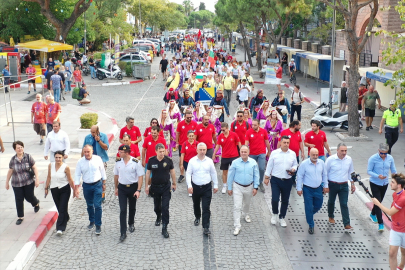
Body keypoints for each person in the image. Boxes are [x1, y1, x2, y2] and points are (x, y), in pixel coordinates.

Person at [371, 173, 405, 270]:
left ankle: (401, 267)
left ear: (399, 185)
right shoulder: (395, 194)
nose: (390, 184)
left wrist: (378, 203)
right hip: (396, 228)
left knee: (403, 252)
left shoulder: (402, 198)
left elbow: (390, 212)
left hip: (404, 229)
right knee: (391, 253)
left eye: (393, 182)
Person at [264, 136, 298, 227]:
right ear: (281, 143)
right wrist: (266, 177)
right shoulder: (275, 153)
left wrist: (294, 168)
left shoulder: (292, 153)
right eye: (284, 142)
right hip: (276, 179)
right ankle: (274, 214)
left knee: (285, 200)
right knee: (275, 199)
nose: (286, 144)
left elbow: (295, 163)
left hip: (287, 180)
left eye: (288, 142)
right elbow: (269, 165)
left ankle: (282, 217)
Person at [186, 143, 219, 235]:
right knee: (196, 204)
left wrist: (216, 184)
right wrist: (189, 185)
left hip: (206, 187)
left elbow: (213, 173)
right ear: (197, 150)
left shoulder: (209, 161)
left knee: (206, 207)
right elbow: (188, 174)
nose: (202, 152)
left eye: (204, 150)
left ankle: (206, 227)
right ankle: (197, 216)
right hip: (195, 186)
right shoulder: (192, 161)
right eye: (200, 150)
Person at [113, 145, 144, 242]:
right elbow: (116, 175)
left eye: (121, 151)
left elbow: (140, 176)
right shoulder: (118, 162)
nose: (119, 153)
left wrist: (138, 190)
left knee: (132, 207)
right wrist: (116, 187)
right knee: (122, 210)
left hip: (132, 187)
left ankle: (131, 223)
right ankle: (123, 232)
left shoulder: (135, 162)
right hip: (122, 188)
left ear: (126, 153)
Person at [145, 143, 176, 238]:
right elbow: (148, 173)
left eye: (163, 151)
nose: (162, 153)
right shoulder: (151, 161)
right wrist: (146, 186)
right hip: (155, 187)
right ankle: (158, 216)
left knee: (165, 207)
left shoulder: (168, 160)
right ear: (156, 151)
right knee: (157, 207)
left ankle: (165, 227)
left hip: (166, 187)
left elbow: (172, 172)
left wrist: (174, 183)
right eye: (160, 151)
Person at [6, 141, 40, 225]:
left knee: (29, 197)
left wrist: (37, 179)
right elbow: (10, 171)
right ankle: (20, 216)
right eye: (18, 148)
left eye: (21, 147)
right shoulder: (13, 160)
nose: (20, 149)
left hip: (28, 182)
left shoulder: (28, 157)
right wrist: (7, 182)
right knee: (19, 199)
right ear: (15, 149)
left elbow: (34, 168)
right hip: (16, 183)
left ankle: (35, 203)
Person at [227, 145, 259, 235]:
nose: (243, 153)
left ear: (248, 152)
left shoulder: (253, 163)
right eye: (242, 152)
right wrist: (229, 188)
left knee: (247, 203)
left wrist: (256, 187)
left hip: (249, 186)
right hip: (238, 186)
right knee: (237, 206)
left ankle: (246, 213)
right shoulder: (235, 163)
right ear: (240, 152)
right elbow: (230, 176)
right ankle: (237, 226)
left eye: (245, 152)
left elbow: (256, 175)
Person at [74, 145, 107, 235]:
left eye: (88, 152)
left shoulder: (98, 159)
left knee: (97, 205)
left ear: (92, 151)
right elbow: (77, 174)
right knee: (89, 205)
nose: (86, 154)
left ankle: (98, 225)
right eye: (85, 152)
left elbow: (102, 171)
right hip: (87, 185)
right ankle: (91, 220)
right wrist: (76, 188)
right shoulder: (80, 162)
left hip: (97, 184)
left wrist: (104, 183)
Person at [296, 148, 328, 234]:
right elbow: (299, 176)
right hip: (307, 189)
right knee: (309, 207)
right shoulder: (304, 164)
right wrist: (299, 188)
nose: (315, 157)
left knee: (319, 205)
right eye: (313, 155)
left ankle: (308, 215)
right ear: (309, 154)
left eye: (317, 155)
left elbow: (324, 175)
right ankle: (311, 225)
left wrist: (326, 186)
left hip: (318, 188)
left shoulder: (321, 163)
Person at [325, 143, 356, 231]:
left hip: (344, 185)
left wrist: (353, 184)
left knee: (344, 204)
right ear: (337, 150)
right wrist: (326, 185)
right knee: (331, 201)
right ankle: (331, 216)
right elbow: (325, 173)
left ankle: (347, 224)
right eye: (342, 151)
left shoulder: (349, 159)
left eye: (345, 150)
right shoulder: (330, 160)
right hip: (333, 184)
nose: (344, 152)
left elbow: (351, 172)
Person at [367, 143, 397, 231]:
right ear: (378, 150)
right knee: (378, 203)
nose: (383, 155)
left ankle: (372, 214)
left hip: (385, 183)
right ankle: (381, 223)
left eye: (385, 153)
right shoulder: (373, 158)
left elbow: (393, 170)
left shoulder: (390, 158)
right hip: (375, 183)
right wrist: (377, 176)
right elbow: (369, 171)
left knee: (378, 202)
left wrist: (396, 179)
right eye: (382, 153)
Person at [45, 151, 75, 235]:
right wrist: (46, 188)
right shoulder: (51, 165)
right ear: (54, 158)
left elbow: (70, 179)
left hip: (64, 189)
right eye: (56, 157)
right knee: (59, 207)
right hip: (54, 189)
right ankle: (66, 217)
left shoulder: (66, 167)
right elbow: (49, 176)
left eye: (59, 157)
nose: (58, 159)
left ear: (62, 158)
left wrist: (74, 190)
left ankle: (60, 228)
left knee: (62, 207)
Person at [213, 123, 241, 194]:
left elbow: (239, 143)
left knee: (235, 171)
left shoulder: (234, 134)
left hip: (234, 156)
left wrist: (241, 152)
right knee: (224, 172)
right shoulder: (220, 136)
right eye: (221, 130)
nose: (222, 131)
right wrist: (214, 154)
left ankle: (234, 185)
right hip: (225, 156)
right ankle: (225, 185)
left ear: (227, 128)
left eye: (224, 130)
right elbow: (218, 145)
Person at [245, 119, 271, 192]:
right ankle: (252, 181)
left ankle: (260, 182)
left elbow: (267, 142)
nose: (253, 126)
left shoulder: (263, 131)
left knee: (262, 168)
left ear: (259, 125)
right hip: (252, 153)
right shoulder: (248, 132)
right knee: (251, 168)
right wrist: (245, 151)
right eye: (252, 125)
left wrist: (269, 151)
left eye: (255, 125)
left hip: (261, 152)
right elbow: (246, 143)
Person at [176, 111, 198, 183]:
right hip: (182, 144)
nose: (189, 118)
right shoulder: (180, 124)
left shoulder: (194, 123)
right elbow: (178, 133)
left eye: (190, 117)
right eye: (188, 117)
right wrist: (177, 142)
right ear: (184, 117)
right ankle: (182, 174)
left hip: (192, 144)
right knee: (181, 159)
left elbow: (196, 134)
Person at [180, 130, 198, 196]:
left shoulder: (197, 143)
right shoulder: (184, 144)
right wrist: (181, 164)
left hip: (195, 162)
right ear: (187, 136)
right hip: (187, 162)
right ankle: (190, 189)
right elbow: (182, 154)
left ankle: (195, 188)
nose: (191, 137)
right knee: (189, 176)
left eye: (192, 136)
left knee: (194, 175)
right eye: (190, 136)